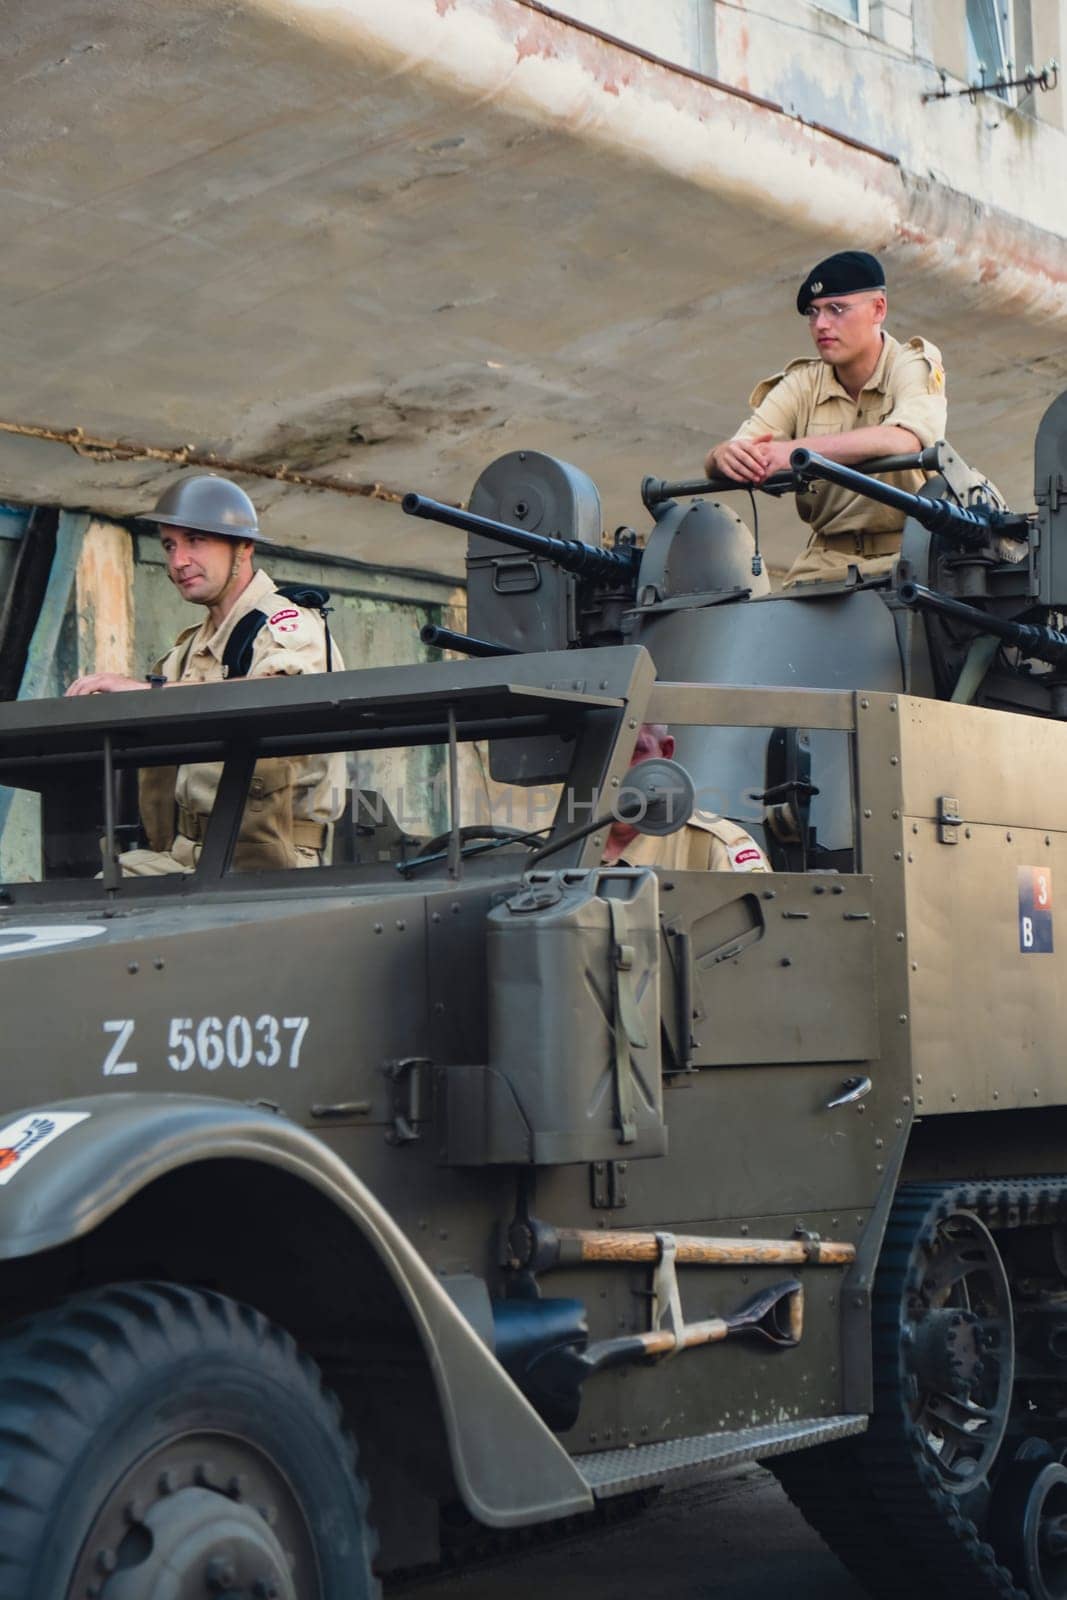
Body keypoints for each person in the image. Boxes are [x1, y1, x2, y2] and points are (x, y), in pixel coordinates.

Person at [66, 474, 345, 873]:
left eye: (195, 540)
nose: (178, 561)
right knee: (94, 894)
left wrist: (147, 691)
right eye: (169, 545)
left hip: (271, 860)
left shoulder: (286, 623)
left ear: (243, 546)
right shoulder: (184, 654)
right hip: (187, 856)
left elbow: (285, 692)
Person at [703, 250, 947, 587]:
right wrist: (723, 456)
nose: (821, 325)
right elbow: (744, 446)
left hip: (914, 553)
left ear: (879, 309)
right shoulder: (802, 383)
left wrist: (794, 453)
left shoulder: (909, 365)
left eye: (837, 309)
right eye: (813, 313)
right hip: (825, 561)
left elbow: (905, 438)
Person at [601, 724, 770, 872]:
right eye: (600, 750)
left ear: (665, 751)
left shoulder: (716, 848)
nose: (617, 768)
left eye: (635, 751)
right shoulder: (575, 837)